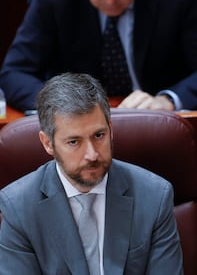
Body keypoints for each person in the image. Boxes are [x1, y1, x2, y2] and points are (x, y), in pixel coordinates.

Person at [0, 73, 183, 274]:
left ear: (111, 130)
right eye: (74, 142)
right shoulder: (18, 207)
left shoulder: (154, 196)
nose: (92, 154)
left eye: (99, 135)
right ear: (47, 143)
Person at [0, 0, 197, 112]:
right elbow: (14, 73)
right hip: (77, 130)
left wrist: (168, 101)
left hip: (156, 125)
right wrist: (61, 106)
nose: (111, 1)